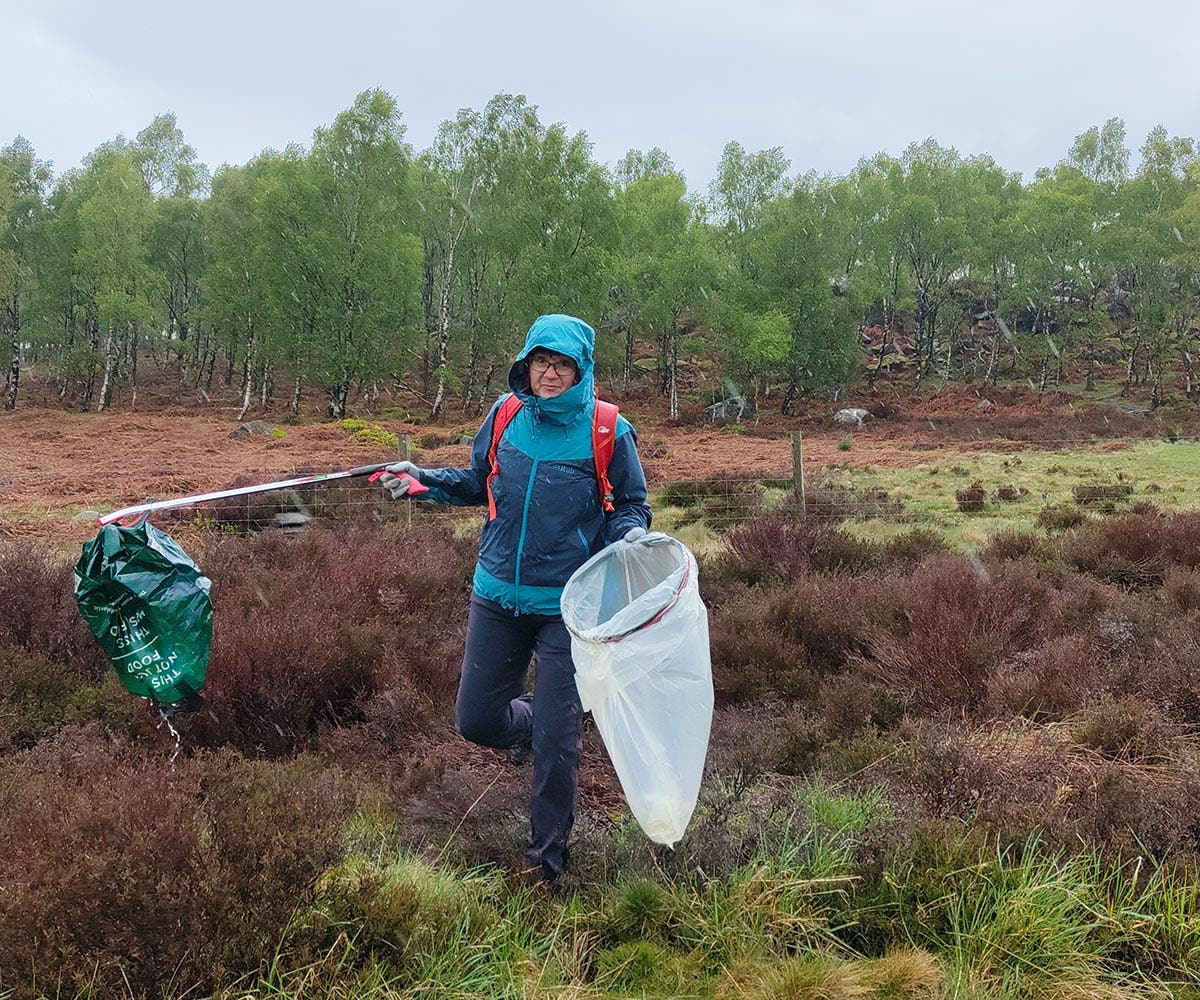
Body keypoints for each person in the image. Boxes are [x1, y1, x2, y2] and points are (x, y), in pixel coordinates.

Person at [379, 314, 652, 883]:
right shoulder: (505, 414)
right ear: (526, 364)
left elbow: (631, 503)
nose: (549, 374)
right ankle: (547, 718)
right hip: (497, 595)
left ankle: (546, 866)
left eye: (561, 364)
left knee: (558, 747)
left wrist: (629, 532)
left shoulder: (607, 430)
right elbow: (480, 481)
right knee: (476, 720)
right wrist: (423, 479)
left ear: (581, 370)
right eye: (540, 362)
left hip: (567, 609)